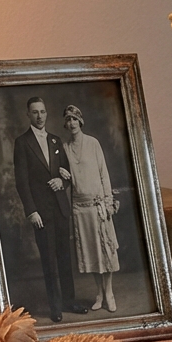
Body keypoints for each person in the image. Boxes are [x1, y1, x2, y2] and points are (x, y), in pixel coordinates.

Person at [12, 96, 81, 322]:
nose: (39, 116)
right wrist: (31, 211)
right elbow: (21, 182)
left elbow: (66, 173)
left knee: (65, 257)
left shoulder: (55, 140)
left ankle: (69, 301)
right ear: (28, 115)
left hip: (60, 208)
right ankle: (55, 307)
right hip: (41, 212)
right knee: (49, 261)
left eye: (42, 111)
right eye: (35, 112)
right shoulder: (22, 143)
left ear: (46, 113)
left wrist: (62, 182)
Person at [61, 105, 122, 312]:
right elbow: (64, 176)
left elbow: (104, 174)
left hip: (98, 206)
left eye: (74, 119)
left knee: (106, 251)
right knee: (91, 253)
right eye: (68, 120)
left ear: (80, 121)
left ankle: (109, 293)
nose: (71, 123)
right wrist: (61, 172)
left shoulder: (93, 143)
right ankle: (99, 293)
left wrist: (108, 202)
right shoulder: (65, 148)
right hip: (80, 208)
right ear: (65, 124)